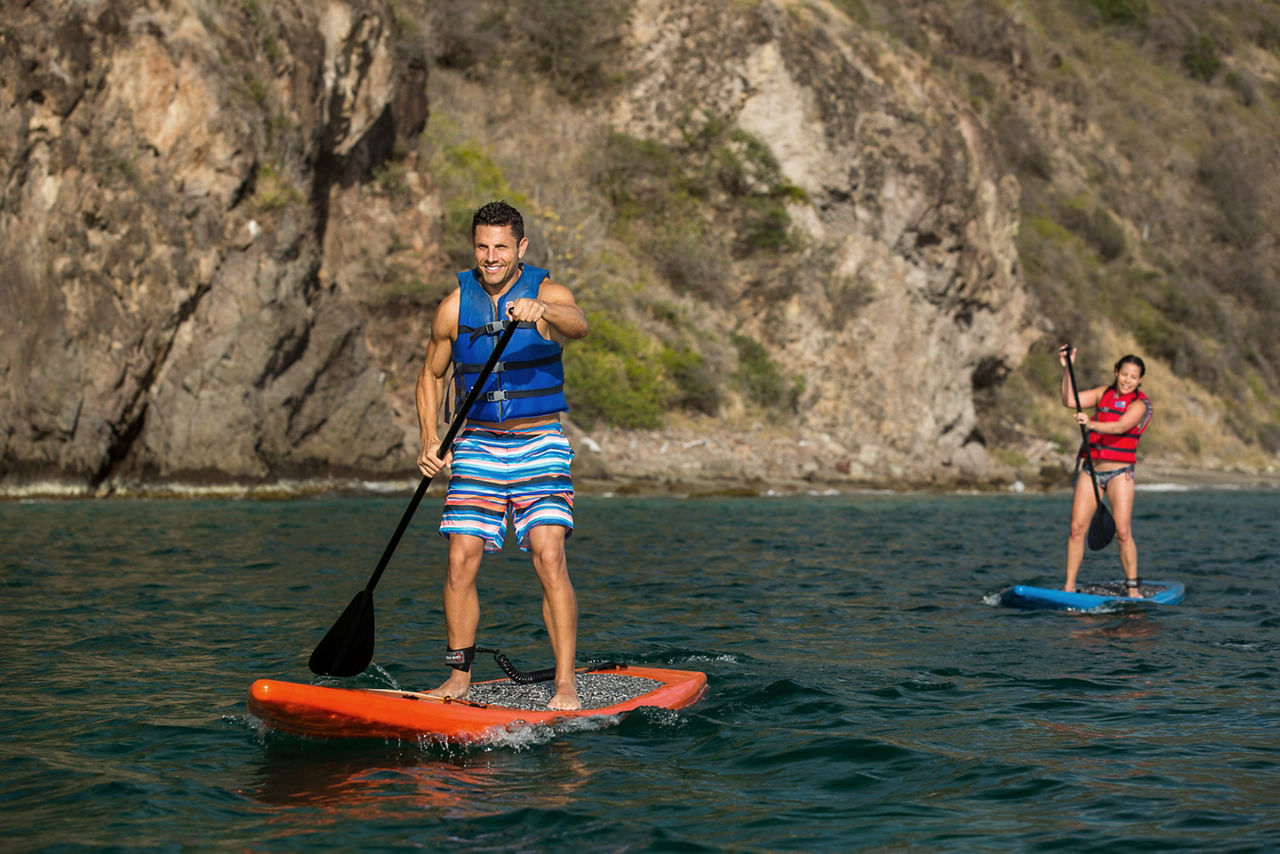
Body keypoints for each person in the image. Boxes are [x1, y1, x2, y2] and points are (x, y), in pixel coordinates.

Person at [416, 200, 588, 710]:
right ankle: (458, 678)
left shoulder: (547, 293)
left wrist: (545, 312)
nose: (491, 257)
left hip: (539, 442)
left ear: (521, 248)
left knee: (548, 552)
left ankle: (564, 684)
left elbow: (578, 324)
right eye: (482, 247)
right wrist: (430, 438)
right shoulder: (453, 306)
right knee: (460, 559)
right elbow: (430, 374)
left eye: (501, 247)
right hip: (477, 445)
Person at [1058, 345, 1153, 597]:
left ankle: (1132, 587)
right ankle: (1068, 586)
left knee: (1122, 532)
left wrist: (1091, 423)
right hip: (1091, 471)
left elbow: (1121, 426)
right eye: (1124, 374)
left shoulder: (1140, 404)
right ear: (1116, 372)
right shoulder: (1103, 393)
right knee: (1076, 529)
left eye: (1133, 377)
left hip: (1120, 473)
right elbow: (1069, 399)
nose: (1128, 380)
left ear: (1140, 380)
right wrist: (1068, 369)